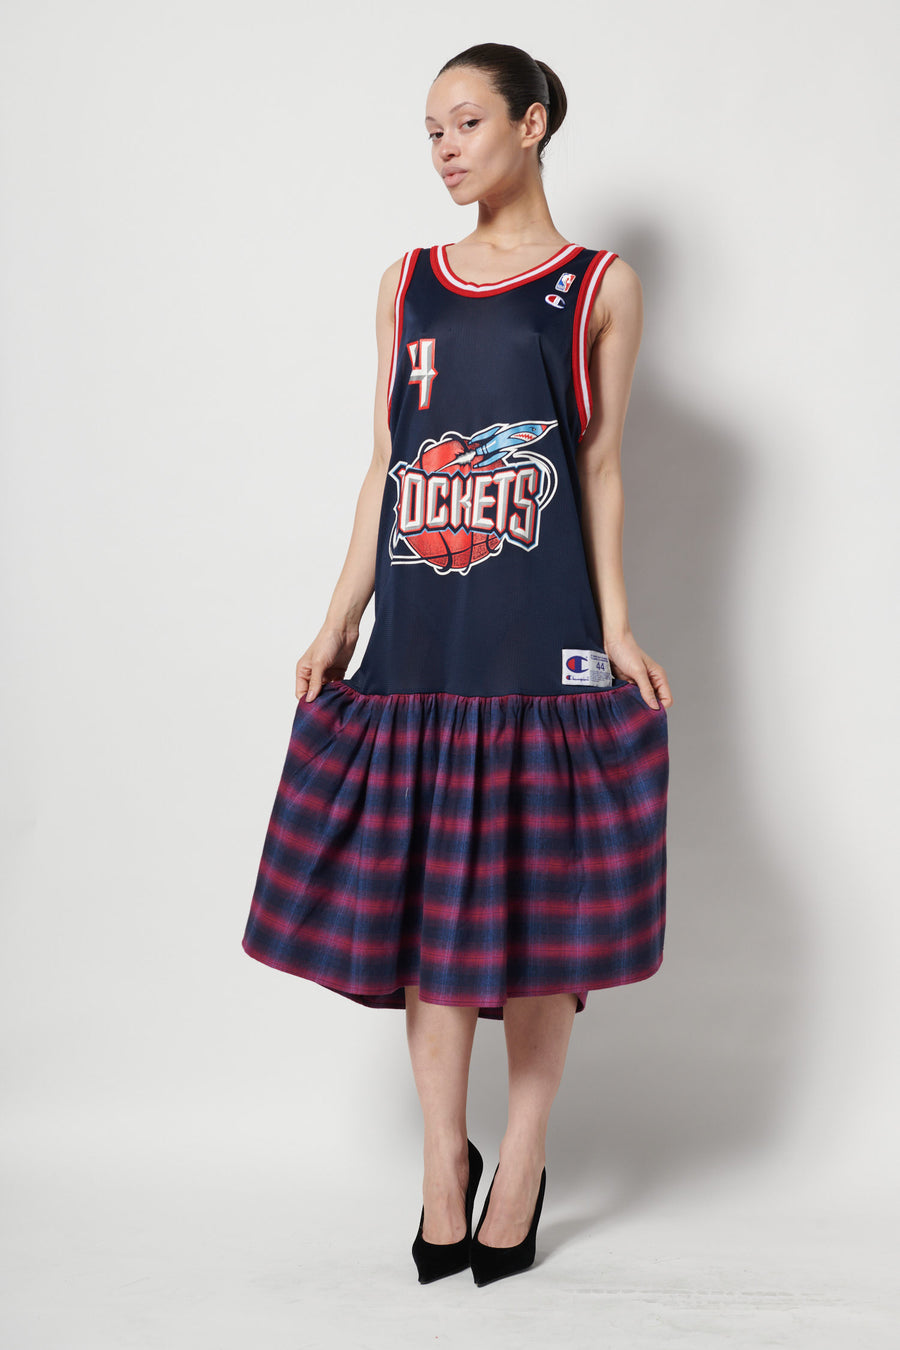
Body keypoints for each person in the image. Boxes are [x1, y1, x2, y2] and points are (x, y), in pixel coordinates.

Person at [242, 42, 672, 1287]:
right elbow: (386, 463)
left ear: (531, 125)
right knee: (431, 902)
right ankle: (445, 1163)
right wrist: (338, 619)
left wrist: (619, 624)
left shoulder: (598, 285)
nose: (444, 149)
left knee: (537, 907)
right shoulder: (407, 283)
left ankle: (521, 1158)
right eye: (431, 129)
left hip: (542, 635)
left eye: (467, 122)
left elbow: (599, 464)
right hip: (423, 635)